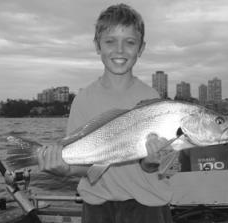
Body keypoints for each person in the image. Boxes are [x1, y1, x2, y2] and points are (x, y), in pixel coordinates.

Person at [38, 3, 174, 223]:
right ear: (97, 45)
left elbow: (160, 165)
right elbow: (84, 167)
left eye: (130, 42)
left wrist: (152, 161)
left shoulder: (152, 99)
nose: (119, 50)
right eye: (110, 41)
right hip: (97, 205)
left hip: (149, 204)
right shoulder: (83, 99)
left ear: (141, 48)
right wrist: (64, 169)